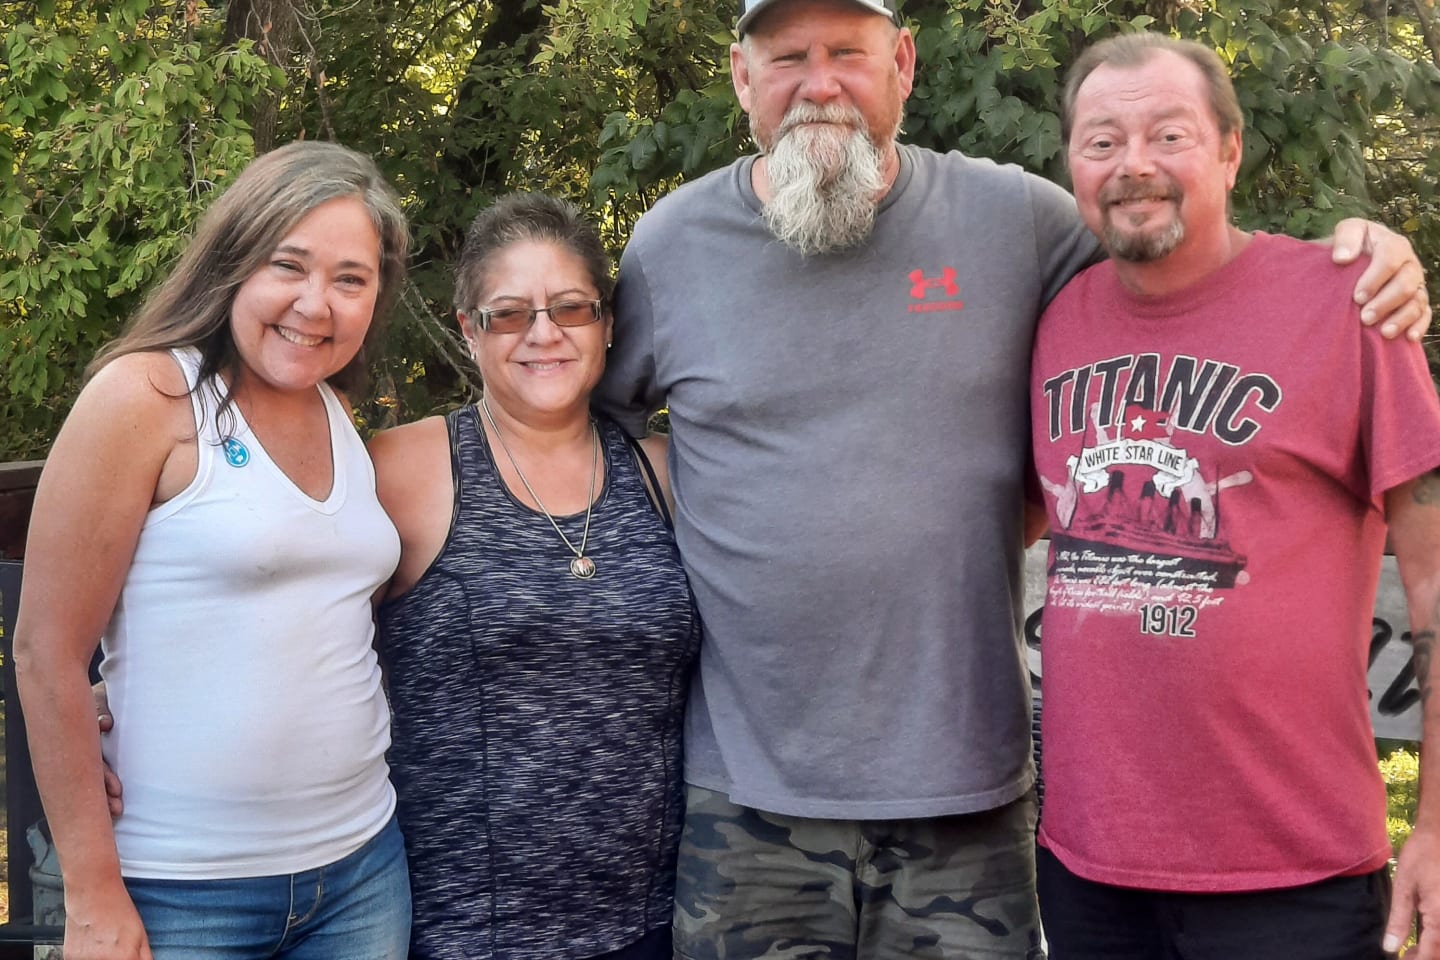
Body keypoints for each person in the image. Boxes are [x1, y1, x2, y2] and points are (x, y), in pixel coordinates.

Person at [591, 0, 1434, 956]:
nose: (818, 83)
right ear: (741, 77)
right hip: (748, 798)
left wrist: (1366, 253)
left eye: (847, 53)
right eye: (786, 56)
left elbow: (1182, 259)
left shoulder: (1015, 221)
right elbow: (589, 449)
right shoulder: (669, 248)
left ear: (904, 63)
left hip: (972, 795)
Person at [1030, 32, 1440, 960]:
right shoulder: (1057, 320)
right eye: (1101, 142)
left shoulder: (1351, 304)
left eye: (1168, 135)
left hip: (1291, 875)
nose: (1134, 165)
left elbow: (1433, 578)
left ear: (1229, 148)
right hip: (1089, 871)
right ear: (1072, 165)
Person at [14, 141, 412, 960]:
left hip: (363, 867)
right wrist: (92, 896)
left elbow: (309, 615)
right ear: (232, 262)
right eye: (288, 265)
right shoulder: (147, 396)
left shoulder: (340, 414)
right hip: (178, 889)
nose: (316, 304)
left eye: (350, 279)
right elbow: (43, 652)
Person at [367, 193, 699, 960]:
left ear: (607, 324)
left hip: (651, 923)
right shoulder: (407, 468)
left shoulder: (666, 474)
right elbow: (284, 613)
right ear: (469, 331)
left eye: (570, 309)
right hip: (461, 931)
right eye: (509, 313)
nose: (543, 333)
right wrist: (119, 691)